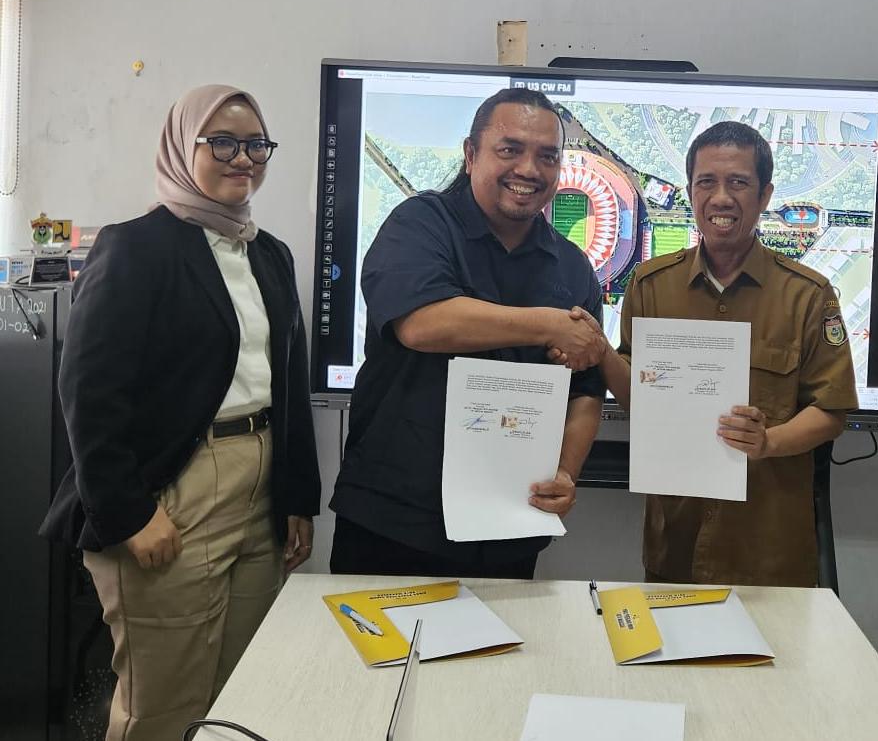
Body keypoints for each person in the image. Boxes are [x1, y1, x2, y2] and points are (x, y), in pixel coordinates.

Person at [39, 84, 322, 741]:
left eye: (255, 144)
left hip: (260, 480)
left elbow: (289, 383)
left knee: (242, 693)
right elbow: (88, 391)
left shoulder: (269, 254)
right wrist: (128, 513)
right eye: (221, 142)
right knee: (164, 705)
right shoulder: (136, 247)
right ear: (179, 147)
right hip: (175, 484)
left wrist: (297, 497)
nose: (241, 157)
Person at [566, 121, 859, 587]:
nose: (721, 198)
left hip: (768, 548)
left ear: (764, 196)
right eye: (707, 182)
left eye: (738, 183)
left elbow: (831, 410)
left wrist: (769, 442)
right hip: (674, 544)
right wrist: (601, 351)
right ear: (690, 192)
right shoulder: (651, 285)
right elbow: (640, 398)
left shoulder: (807, 295)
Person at [329, 88, 606, 579]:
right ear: (471, 153)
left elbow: (585, 389)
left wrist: (566, 471)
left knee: (505, 633)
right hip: (395, 519)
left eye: (547, 156)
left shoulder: (572, 266)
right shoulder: (420, 224)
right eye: (510, 149)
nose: (529, 169)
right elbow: (422, 324)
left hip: (510, 522)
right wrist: (548, 324)